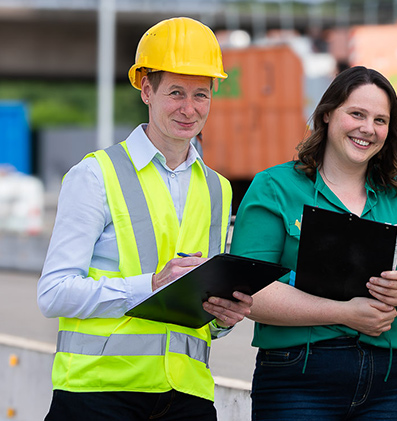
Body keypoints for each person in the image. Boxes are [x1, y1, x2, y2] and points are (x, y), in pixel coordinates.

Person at [37, 17, 253, 421]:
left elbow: (198, 309)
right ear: (146, 90)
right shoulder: (95, 175)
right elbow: (53, 293)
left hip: (187, 394)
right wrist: (151, 285)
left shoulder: (218, 189)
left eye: (201, 95)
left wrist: (223, 317)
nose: (189, 109)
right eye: (175, 93)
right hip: (98, 393)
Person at [230, 65, 397, 420]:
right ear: (326, 116)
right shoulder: (274, 187)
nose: (368, 128)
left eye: (380, 120)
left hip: (395, 380)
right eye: (356, 114)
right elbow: (248, 290)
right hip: (298, 378)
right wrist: (345, 313)